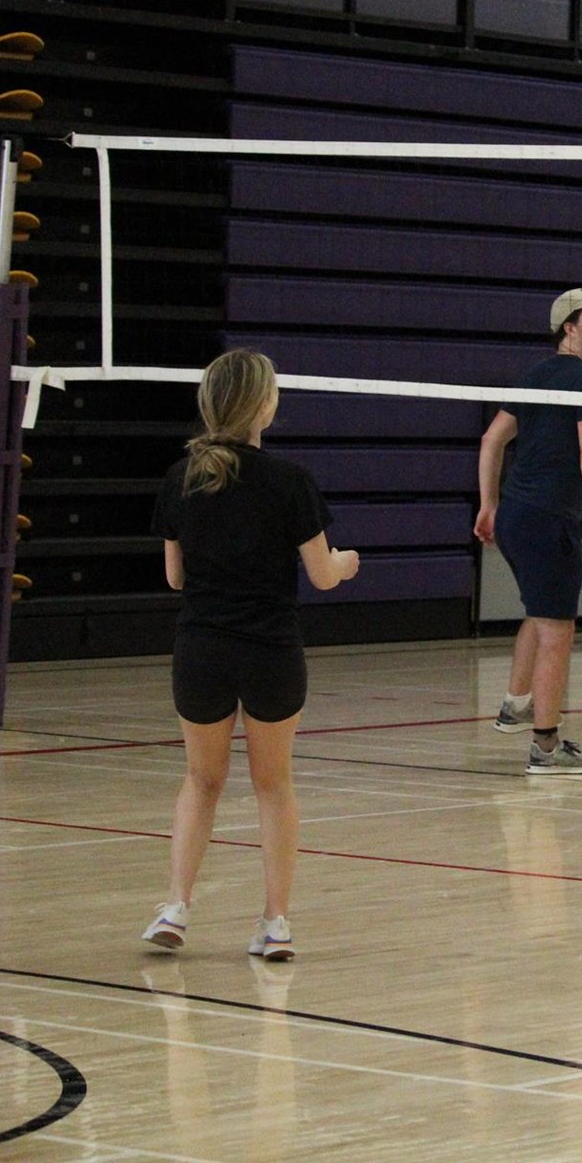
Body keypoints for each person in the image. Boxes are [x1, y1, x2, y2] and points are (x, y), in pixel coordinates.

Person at [143, 349, 360, 959]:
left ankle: (177, 907)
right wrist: (345, 565)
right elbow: (321, 575)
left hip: (202, 649)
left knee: (200, 781)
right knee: (273, 785)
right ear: (264, 404)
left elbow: (175, 579)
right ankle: (276, 923)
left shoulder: (180, 478)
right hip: (270, 651)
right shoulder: (290, 481)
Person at [475, 287, 582, 774]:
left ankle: (516, 706)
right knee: (558, 633)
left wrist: (488, 505)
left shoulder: (535, 375)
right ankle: (545, 747)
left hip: (516, 518)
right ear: (569, 328)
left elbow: (491, 439)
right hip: (547, 519)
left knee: (539, 616)